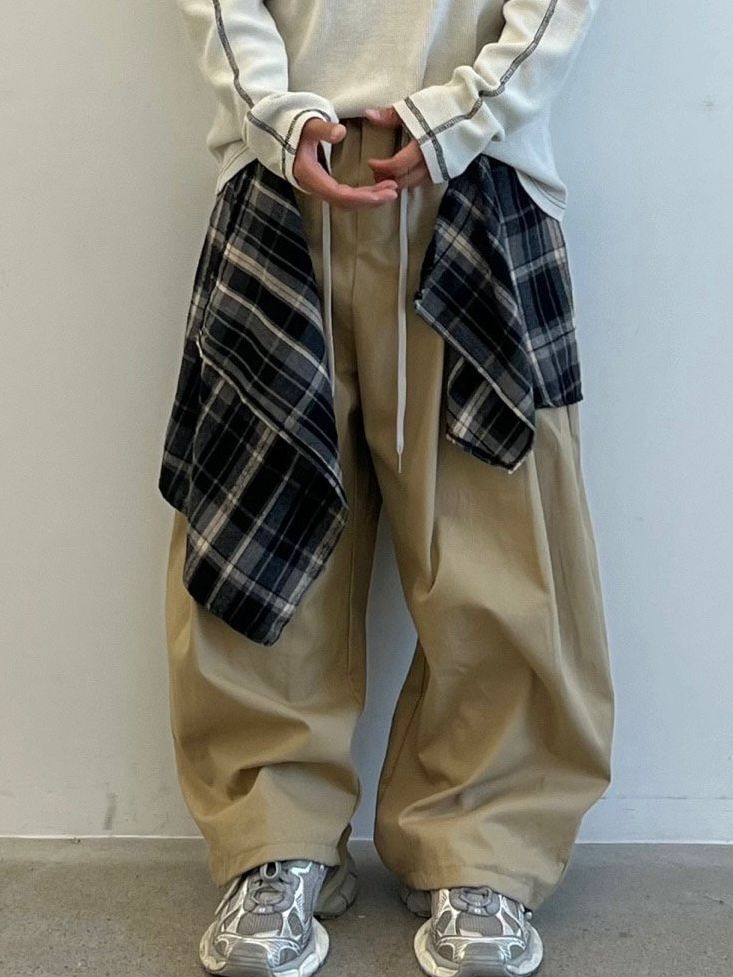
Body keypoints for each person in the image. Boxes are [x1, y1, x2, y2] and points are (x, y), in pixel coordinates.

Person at [159, 1, 615, 975]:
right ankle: (271, 840)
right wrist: (271, 110)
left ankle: (482, 847)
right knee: (258, 534)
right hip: (281, 167)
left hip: (479, 173)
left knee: (501, 550)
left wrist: (471, 109)